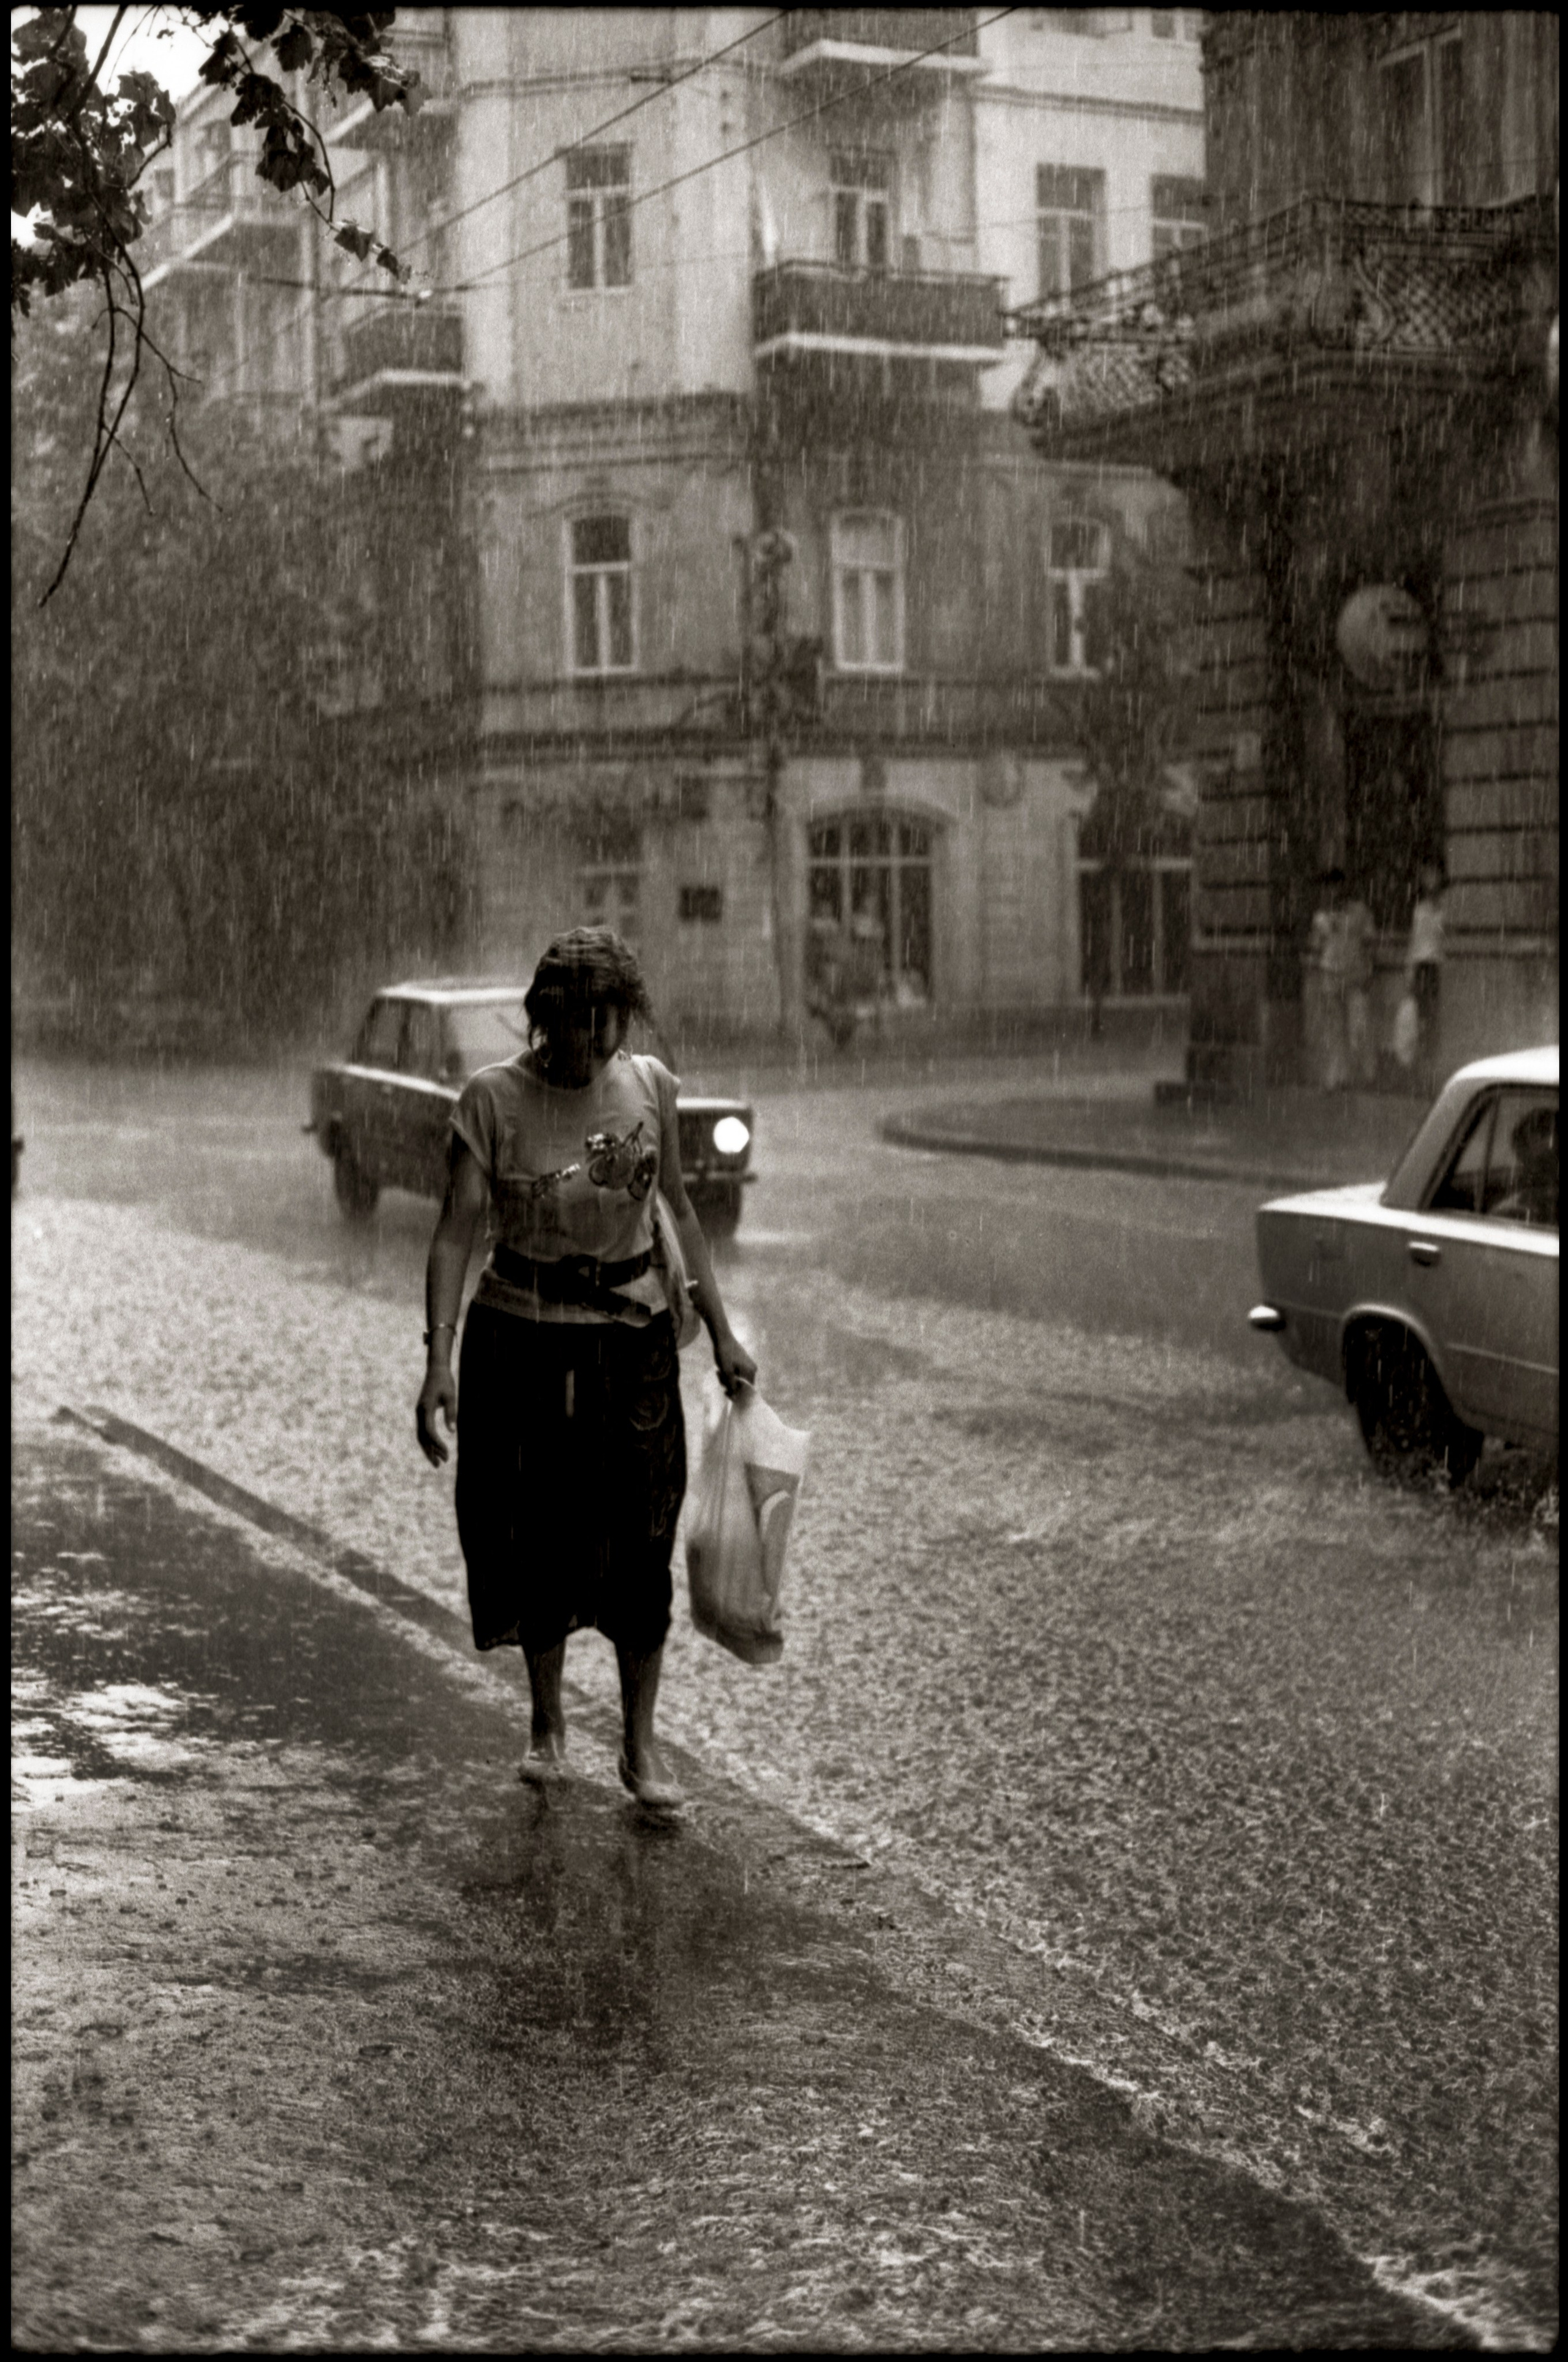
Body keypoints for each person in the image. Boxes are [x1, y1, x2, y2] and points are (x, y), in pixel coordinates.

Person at [415, 927, 757, 1809]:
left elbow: (676, 1209)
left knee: (643, 1546)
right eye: (579, 1025)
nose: (597, 1043)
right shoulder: (492, 1101)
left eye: (611, 1023)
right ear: (544, 1020)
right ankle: (547, 1725)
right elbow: (455, 1232)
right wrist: (437, 1360)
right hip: (521, 1342)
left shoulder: (648, 1087)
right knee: (538, 1539)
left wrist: (721, 1332)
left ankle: (641, 1749)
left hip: (633, 1345)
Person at [1306, 868, 1376, 1092]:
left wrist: (1369, 970)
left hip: (1355, 976)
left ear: (1344, 886)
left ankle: (1366, 1074)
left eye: (1336, 886)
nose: (1332, 892)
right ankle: (1338, 1077)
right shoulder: (1320, 917)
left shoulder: (1359, 912)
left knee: (1359, 1026)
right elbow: (1316, 948)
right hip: (1331, 977)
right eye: (1327, 887)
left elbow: (1369, 943)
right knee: (1334, 1030)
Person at [1404, 859, 1446, 1080]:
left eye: (1433, 875)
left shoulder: (1446, 907)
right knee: (1423, 1019)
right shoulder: (1420, 910)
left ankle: (1433, 1066)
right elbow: (1415, 942)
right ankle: (1423, 1068)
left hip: (1437, 966)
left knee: (1434, 1017)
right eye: (1426, 876)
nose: (1429, 881)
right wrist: (1410, 971)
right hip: (1423, 966)